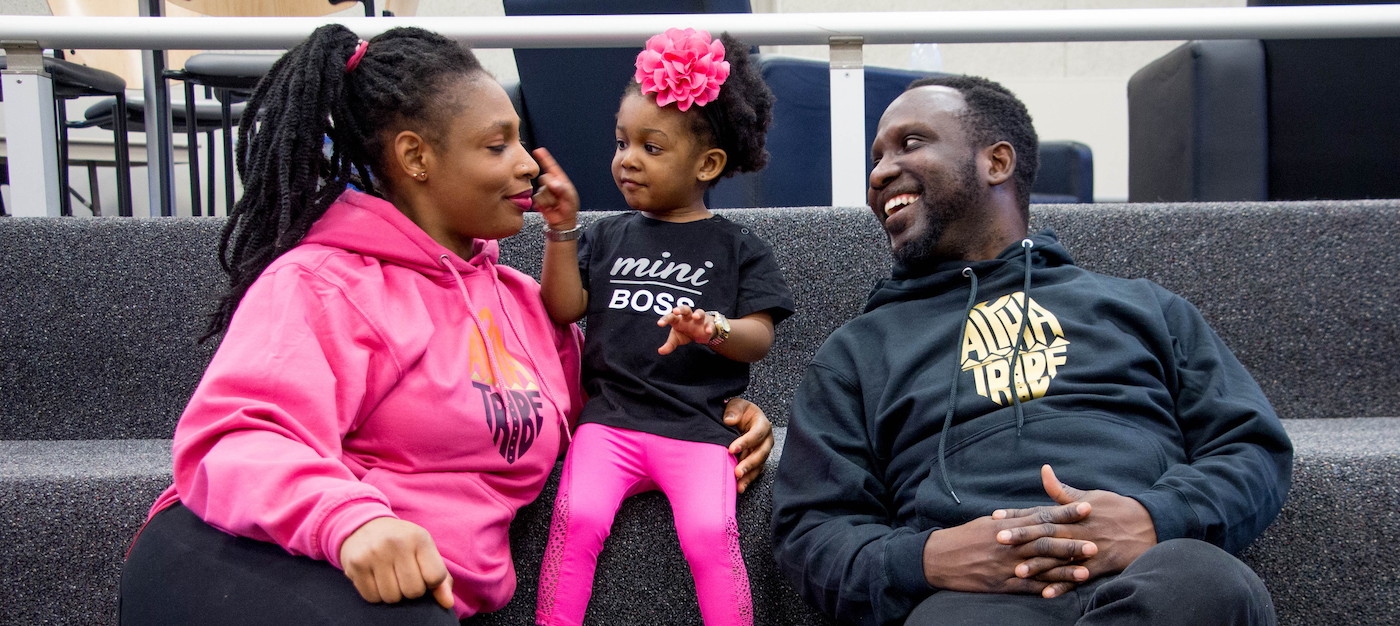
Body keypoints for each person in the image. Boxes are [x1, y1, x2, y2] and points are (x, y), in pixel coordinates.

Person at [118, 24, 773, 626]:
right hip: (244, 563)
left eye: (521, 138)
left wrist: (713, 405)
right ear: (415, 156)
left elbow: (614, 389)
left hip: (407, 603)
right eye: (497, 145)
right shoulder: (324, 282)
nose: (529, 165)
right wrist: (352, 523)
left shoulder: (520, 305)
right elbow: (233, 438)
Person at [770, 75, 1293, 626]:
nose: (878, 173)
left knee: (1209, 586)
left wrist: (1152, 517)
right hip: (972, 601)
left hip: (1150, 572)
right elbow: (810, 532)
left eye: (911, 143)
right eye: (875, 157)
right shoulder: (855, 352)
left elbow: (1250, 447)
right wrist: (928, 559)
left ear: (996, 162)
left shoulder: (1144, 308)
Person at [533, 29, 793, 626]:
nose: (627, 158)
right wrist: (561, 230)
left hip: (696, 428)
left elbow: (761, 335)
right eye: (622, 142)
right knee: (576, 521)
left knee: (709, 531)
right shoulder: (605, 234)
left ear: (707, 163)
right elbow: (564, 308)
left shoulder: (739, 248)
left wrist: (713, 329)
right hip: (609, 422)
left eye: (652, 147)